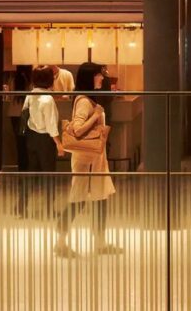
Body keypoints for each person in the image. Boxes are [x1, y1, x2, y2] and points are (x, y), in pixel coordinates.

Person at [54, 62, 122, 258]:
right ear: (89, 77)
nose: (101, 78)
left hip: (95, 158)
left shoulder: (88, 99)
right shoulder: (84, 101)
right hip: (87, 159)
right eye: (98, 75)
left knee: (99, 198)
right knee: (79, 199)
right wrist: (96, 115)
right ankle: (60, 241)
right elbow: (77, 129)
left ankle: (99, 242)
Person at [17, 66, 63, 220]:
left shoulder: (31, 94)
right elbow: (51, 124)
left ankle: (21, 207)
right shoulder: (47, 98)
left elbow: (25, 114)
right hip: (45, 140)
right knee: (48, 175)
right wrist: (59, 143)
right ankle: (49, 209)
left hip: (31, 137)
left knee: (31, 173)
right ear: (49, 79)